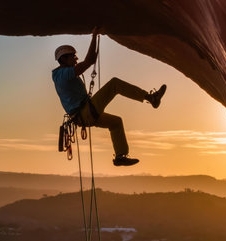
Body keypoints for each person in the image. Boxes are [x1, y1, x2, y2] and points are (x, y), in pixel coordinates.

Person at [52, 27, 166, 166]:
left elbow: (90, 60)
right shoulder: (62, 75)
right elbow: (88, 62)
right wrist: (93, 36)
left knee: (116, 123)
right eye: (73, 57)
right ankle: (150, 98)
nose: (75, 60)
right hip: (84, 112)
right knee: (114, 84)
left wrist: (96, 40)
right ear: (63, 59)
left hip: (83, 115)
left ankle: (120, 156)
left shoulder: (63, 73)